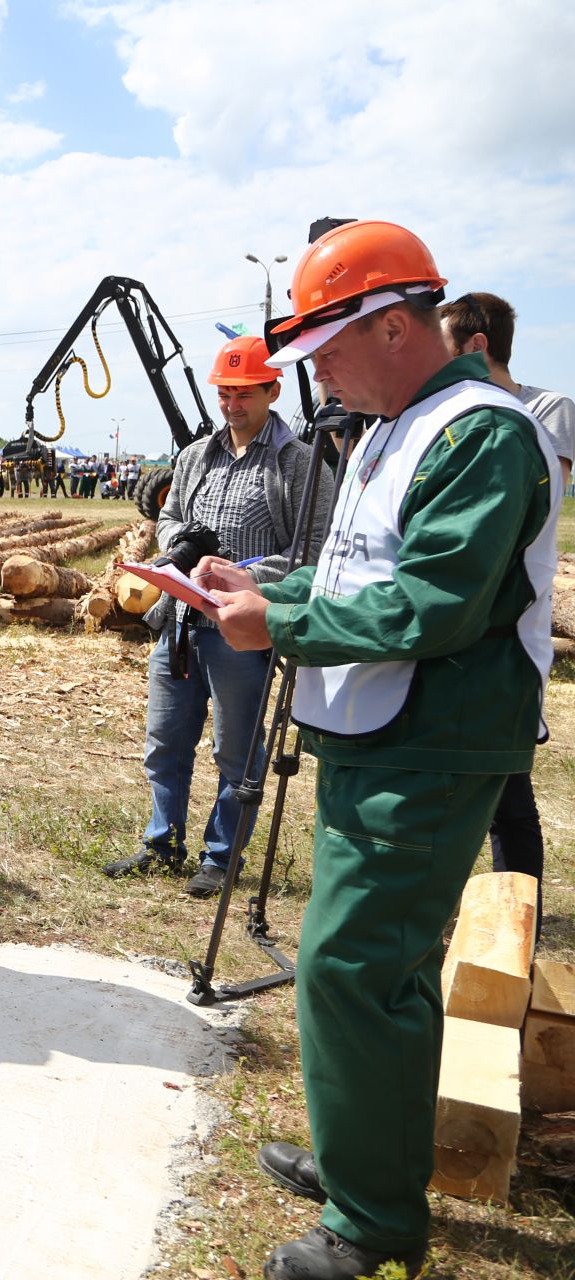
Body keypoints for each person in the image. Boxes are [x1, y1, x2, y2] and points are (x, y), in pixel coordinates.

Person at [201, 221, 557, 1280]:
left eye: (328, 352)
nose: (318, 376)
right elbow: (357, 574)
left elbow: (439, 602)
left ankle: (375, 1225)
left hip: (434, 737)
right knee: (359, 965)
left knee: (355, 966)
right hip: (378, 725)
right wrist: (271, 589)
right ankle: (365, 1156)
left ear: (394, 326)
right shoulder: (399, 425)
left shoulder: (479, 434)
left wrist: (284, 627)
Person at [103, 335, 333, 897]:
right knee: (165, 742)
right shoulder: (194, 457)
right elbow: (168, 516)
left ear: (272, 390)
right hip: (181, 626)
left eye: (244, 393)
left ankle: (222, 856)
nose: (232, 405)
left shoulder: (298, 463)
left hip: (243, 632)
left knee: (235, 750)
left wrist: (245, 573)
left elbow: (314, 547)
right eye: (225, 393)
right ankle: (162, 843)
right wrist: (181, 544)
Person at [436, 290, 573, 932]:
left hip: (510, 637)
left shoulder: (545, 411)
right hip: (457, 644)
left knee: (509, 795)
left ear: (475, 345)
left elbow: (534, 506)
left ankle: (516, 921)